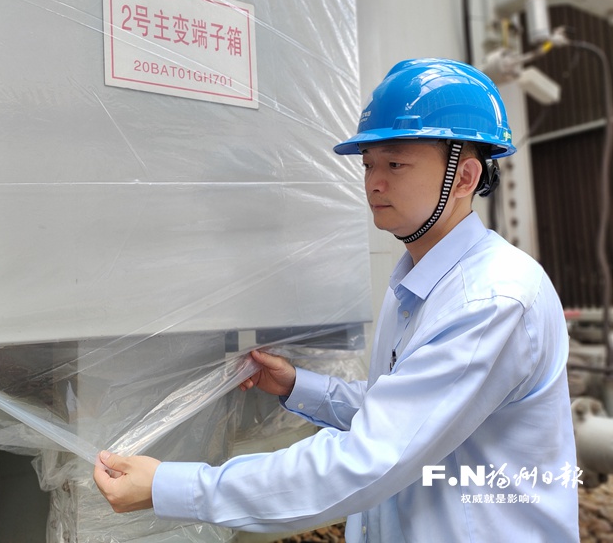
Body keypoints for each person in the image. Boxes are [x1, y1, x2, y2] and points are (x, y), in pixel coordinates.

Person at [94, 58, 580, 542]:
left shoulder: (492, 300)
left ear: (464, 177)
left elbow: (369, 458)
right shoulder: (419, 282)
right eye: (368, 164)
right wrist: (296, 385)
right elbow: (402, 411)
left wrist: (170, 487)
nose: (374, 182)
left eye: (395, 163)